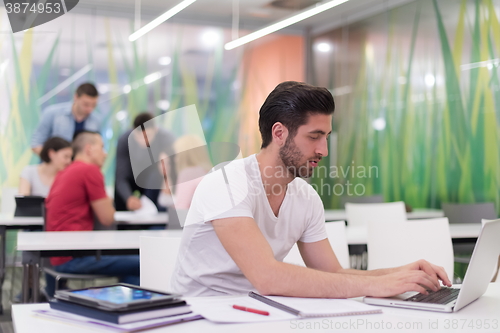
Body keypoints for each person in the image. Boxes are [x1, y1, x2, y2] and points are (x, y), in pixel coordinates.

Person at [171, 81, 452, 297]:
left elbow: (334, 273)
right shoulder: (227, 182)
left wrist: (401, 274)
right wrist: (377, 286)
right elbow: (267, 277)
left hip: (260, 311)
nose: (324, 150)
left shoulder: (305, 197)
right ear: (279, 133)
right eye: (314, 137)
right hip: (202, 315)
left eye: (326, 137)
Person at [45, 131, 139, 297]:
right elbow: (107, 218)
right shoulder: (90, 170)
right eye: (102, 148)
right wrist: (108, 199)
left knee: (131, 265)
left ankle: (126, 304)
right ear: (89, 149)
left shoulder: (64, 172)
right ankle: (132, 308)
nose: (105, 153)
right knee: (143, 262)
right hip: (74, 257)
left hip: (56, 257)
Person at [114, 112, 175, 212]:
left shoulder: (167, 138)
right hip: (132, 176)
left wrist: (167, 182)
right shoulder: (124, 140)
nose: (144, 141)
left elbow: (174, 167)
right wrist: (128, 198)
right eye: (139, 137)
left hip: (155, 177)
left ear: (156, 130)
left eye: (148, 136)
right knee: (121, 193)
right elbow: (121, 175)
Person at [31, 83, 102, 155]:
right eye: (86, 104)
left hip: (81, 165)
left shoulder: (96, 121)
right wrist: (52, 159)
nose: (89, 109)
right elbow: (36, 143)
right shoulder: (52, 113)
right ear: (76, 97)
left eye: (93, 105)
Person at [158, 135, 211, 209]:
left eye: (177, 154)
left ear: (184, 155)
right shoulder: (207, 171)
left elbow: (181, 208)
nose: (175, 159)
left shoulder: (187, 174)